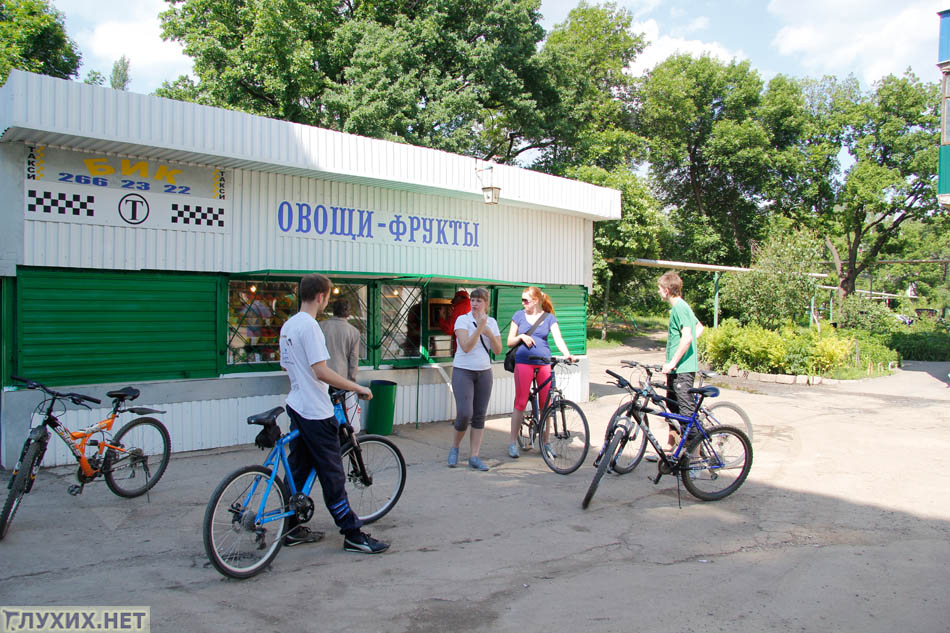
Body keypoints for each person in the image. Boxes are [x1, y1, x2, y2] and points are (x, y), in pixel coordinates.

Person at [278, 273, 389, 554]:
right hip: (316, 411)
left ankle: (290, 527)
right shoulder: (310, 327)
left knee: (299, 469)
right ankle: (352, 534)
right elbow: (321, 370)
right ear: (321, 297)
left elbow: (286, 366)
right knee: (333, 476)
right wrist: (355, 387)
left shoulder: (288, 326)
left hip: (296, 405)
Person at [506, 286, 574, 459]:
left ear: (535, 301)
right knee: (520, 402)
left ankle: (546, 443)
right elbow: (509, 341)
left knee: (547, 405)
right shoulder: (519, 315)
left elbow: (558, 339)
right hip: (523, 363)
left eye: (525, 300)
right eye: (522, 300)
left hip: (544, 363)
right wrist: (521, 337)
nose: (523, 303)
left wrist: (567, 354)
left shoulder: (549, 318)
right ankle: (513, 442)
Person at [447, 288, 503, 471]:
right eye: (473, 300)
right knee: (464, 413)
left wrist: (489, 333)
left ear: (486, 303)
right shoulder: (462, 320)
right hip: (463, 371)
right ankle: (454, 448)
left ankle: (474, 456)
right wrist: (479, 328)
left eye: (479, 300)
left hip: (484, 372)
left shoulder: (492, 323)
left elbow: (498, 350)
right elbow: (465, 347)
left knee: (479, 415)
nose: (475, 303)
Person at [657, 270, 702, 453]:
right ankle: (674, 446)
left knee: (686, 413)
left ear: (667, 290)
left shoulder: (680, 307)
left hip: (681, 369)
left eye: (660, 289)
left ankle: (696, 457)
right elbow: (699, 327)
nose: (659, 292)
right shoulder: (680, 307)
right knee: (673, 408)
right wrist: (688, 350)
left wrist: (674, 361)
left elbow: (688, 336)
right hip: (677, 369)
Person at [320, 298, 363, 428]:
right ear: (348, 313)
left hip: (320, 378)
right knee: (340, 414)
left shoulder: (320, 326)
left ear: (333, 311)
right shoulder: (353, 332)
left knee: (322, 413)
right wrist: (352, 381)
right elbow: (354, 359)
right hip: (340, 380)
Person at [439, 290, 471, 355]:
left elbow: (450, 330)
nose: (453, 303)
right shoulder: (472, 306)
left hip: (461, 348)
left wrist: (441, 317)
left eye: (455, 299)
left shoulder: (459, 308)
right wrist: (452, 316)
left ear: (459, 297)